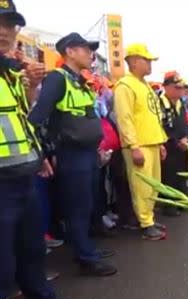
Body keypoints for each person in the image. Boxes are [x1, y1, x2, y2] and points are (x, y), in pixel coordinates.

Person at [0, 0, 95, 299]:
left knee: (31, 251)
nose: (7, 30)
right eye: (0, 23)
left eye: (10, 23)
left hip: (21, 177)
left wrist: (38, 156)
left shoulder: (10, 74)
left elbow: (20, 122)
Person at [28, 32, 116, 276]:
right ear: (70, 51)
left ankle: (88, 248)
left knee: (87, 204)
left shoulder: (78, 80)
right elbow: (37, 118)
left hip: (88, 153)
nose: (91, 54)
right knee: (77, 207)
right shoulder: (57, 79)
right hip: (71, 154)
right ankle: (85, 258)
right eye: (86, 49)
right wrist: (44, 152)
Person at [113, 43, 168, 241]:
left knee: (154, 185)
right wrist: (134, 146)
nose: (150, 64)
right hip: (139, 145)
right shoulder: (124, 85)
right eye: (147, 60)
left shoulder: (144, 85)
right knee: (142, 187)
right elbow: (124, 118)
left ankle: (149, 218)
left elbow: (154, 116)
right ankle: (145, 223)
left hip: (152, 142)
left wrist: (160, 142)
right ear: (135, 61)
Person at [159, 72, 188, 216]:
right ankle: (169, 206)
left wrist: (187, 137)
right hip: (168, 146)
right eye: (177, 87)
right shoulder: (159, 103)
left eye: (181, 88)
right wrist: (176, 141)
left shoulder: (182, 103)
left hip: (182, 146)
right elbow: (160, 126)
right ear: (166, 87)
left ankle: (181, 201)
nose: (180, 90)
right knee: (169, 176)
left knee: (181, 175)